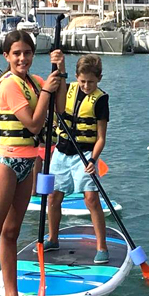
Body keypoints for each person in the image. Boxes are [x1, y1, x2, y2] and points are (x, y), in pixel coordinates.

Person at [0, 31, 63, 296]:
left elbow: (58, 110)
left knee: (11, 234)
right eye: (16, 53)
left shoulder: (35, 82)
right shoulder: (9, 85)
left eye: (27, 53)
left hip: (28, 163)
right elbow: (35, 125)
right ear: (7, 56)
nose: (22, 58)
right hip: (5, 164)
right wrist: (48, 90)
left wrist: (59, 73)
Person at [45, 54, 110, 263]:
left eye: (91, 82)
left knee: (91, 199)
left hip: (86, 155)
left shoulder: (101, 99)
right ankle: (53, 238)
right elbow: (60, 105)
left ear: (99, 79)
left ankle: (102, 247)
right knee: (53, 197)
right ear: (76, 77)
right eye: (82, 81)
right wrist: (60, 66)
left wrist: (93, 160)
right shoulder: (69, 87)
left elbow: (101, 138)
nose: (86, 85)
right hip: (61, 153)